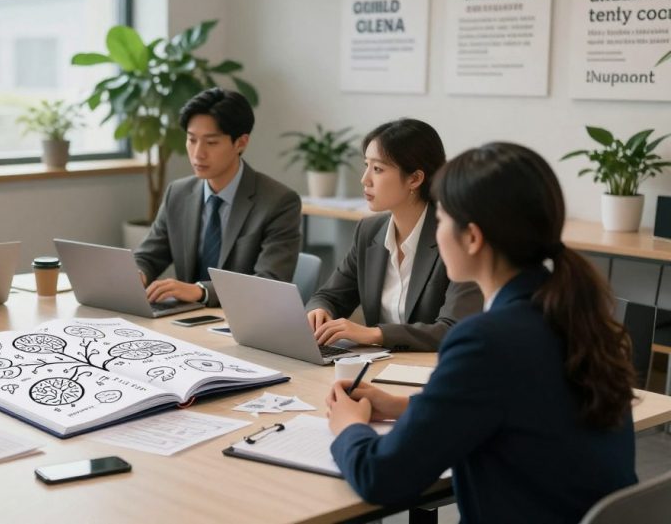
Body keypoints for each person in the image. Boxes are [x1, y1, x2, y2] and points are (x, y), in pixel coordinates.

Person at [326, 143, 637, 522]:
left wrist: (348, 428)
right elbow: (516, 405)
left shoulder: (487, 339)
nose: (436, 234)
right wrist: (405, 406)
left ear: (472, 238)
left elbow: (380, 477)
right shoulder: (572, 312)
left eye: (440, 221)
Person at [305, 119, 481, 352]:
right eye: (366, 165)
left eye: (377, 169)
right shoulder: (369, 231)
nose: (365, 179)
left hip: (432, 370)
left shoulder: (455, 237)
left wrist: (375, 334)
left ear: (415, 179)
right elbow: (330, 296)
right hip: (377, 366)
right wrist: (320, 311)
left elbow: (453, 328)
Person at [134, 87, 301, 307]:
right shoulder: (178, 193)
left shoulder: (278, 202)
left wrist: (201, 291)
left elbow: (269, 283)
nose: (198, 153)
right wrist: (138, 274)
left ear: (241, 142)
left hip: (240, 323)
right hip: (183, 320)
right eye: (192, 140)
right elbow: (148, 257)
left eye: (211, 142)